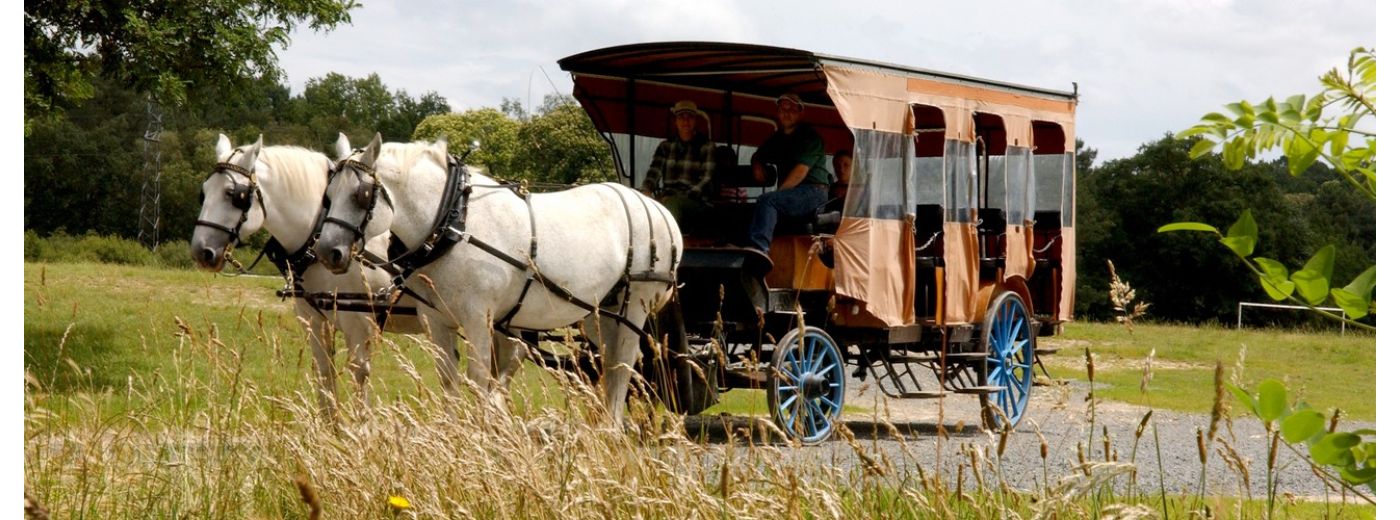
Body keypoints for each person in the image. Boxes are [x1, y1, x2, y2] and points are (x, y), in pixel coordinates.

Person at [744, 92, 832, 253]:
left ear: (801, 113)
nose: (786, 113)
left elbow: (800, 171)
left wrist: (779, 193)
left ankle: (758, 251)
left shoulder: (810, 138)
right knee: (750, 209)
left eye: (792, 109)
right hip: (792, 193)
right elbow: (759, 154)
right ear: (778, 113)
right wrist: (757, 164)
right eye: (783, 109)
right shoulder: (777, 139)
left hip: (814, 191)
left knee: (768, 201)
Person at [641, 100, 716, 228]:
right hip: (667, 199)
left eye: (690, 117)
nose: (685, 121)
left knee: (672, 204)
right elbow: (654, 173)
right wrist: (645, 192)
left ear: (695, 121)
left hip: (696, 202)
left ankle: (670, 245)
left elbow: (706, 181)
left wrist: (676, 198)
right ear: (676, 121)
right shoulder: (665, 147)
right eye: (681, 117)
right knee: (639, 204)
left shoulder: (707, 146)